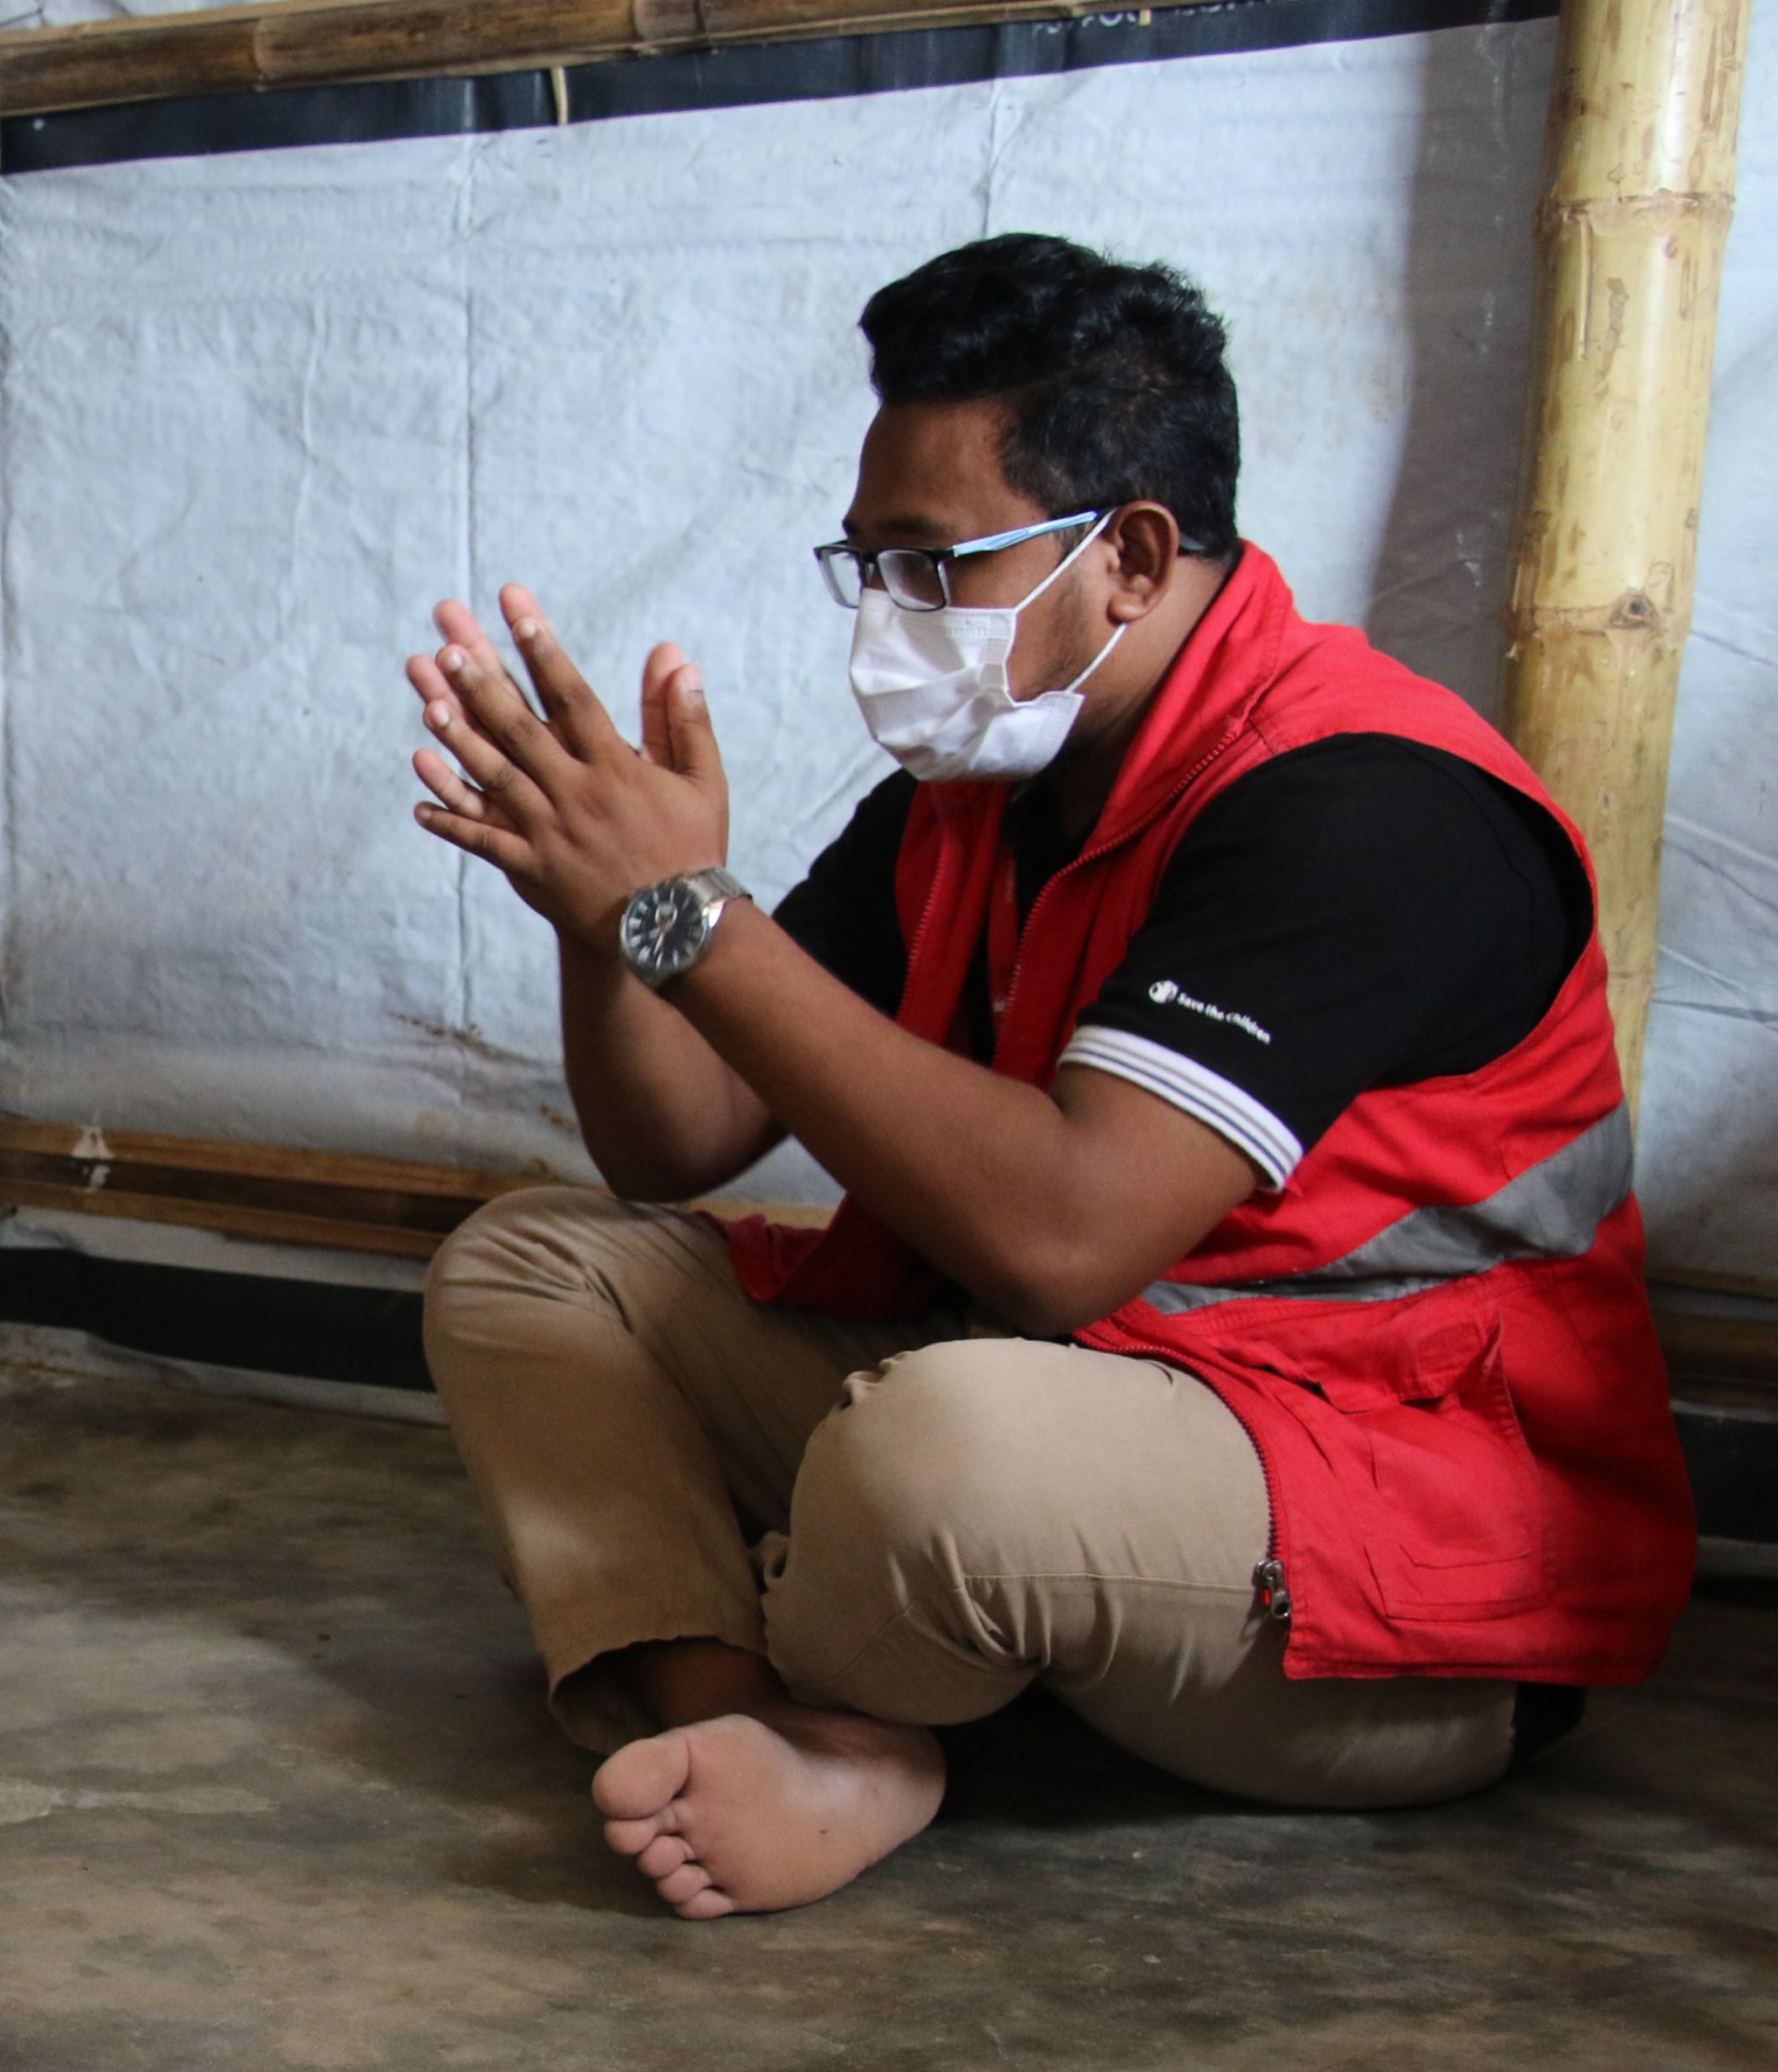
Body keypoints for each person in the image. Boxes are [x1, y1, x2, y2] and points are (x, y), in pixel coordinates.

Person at [399, 234, 1693, 1920]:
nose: (887, 619)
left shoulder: (1371, 808)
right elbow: (678, 1144)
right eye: (864, 564)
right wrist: (603, 911)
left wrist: (692, 918)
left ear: (1133, 558)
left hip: (1403, 1559)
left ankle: (871, 1722)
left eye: (933, 565)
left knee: (937, 1449)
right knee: (539, 1264)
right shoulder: (980, 788)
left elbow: (1067, 1240)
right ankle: (759, 1731)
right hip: (1087, 1410)